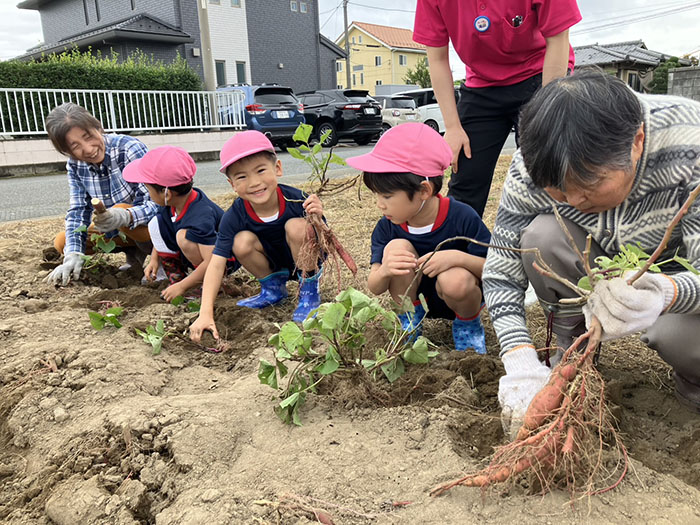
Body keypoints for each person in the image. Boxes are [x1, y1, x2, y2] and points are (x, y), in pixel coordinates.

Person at [483, 69, 700, 439]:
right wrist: (519, 358)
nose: (574, 201)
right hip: (593, 257)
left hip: (677, 271)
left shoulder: (690, 144)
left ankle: (694, 383)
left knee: (675, 335)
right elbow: (500, 272)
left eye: (591, 184)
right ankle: (573, 360)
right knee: (541, 236)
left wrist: (666, 293)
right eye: (558, 192)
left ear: (637, 141)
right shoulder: (533, 165)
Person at [412, 0, 582, 217]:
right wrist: (453, 127)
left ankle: (552, 234)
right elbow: (437, 59)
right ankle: (458, 238)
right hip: (481, 85)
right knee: (465, 180)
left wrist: (548, 113)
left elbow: (558, 39)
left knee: (544, 171)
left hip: (539, 74)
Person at [346, 123, 492, 353]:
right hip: (412, 298)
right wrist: (385, 270)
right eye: (377, 195)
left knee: (455, 279)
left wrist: (457, 258)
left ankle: (468, 326)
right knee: (396, 248)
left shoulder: (462, 217)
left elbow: (495, 270)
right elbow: (374, 286)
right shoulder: (387, 227)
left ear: (424, 190)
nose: (380, 204)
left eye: (387, 196)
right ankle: (409, 322)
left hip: (458, 297)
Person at [189, 131, 325, 342]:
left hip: (305, 261)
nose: (254, 182)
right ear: (232, 184)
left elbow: (324, 242)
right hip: (271, 263)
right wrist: (205, 313)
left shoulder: (297, 200)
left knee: (298, 227)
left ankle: (308, 292)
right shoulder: (234, 216)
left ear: (277, 168)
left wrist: (318, 218)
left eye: (260, 170)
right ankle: (273, 290)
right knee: (240, 241)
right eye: (242, 176)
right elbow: (216, 263)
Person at [44, 103, 157, 285]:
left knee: (120, 209)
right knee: (63, 242)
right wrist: (73, 254)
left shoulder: (128, 148)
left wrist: (125, 215)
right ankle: (133, 257)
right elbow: (78, 210)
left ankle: (160, 262)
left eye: (88, 136)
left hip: (150, 229)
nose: (88, 149)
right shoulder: (75, 165)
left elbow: (157, 204)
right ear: (67, 151)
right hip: (117, 231)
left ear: (97, 127)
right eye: (75, 146)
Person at [122, 145, 233, 302]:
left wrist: (183, 286)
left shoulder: (200, 216)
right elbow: (163, 229)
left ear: (166, 193)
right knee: (156, 223)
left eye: (148, 189)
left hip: (223, 259)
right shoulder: (173, 203)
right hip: (202, 254)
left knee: (183, 237)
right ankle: (177, 275)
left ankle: (211, 283)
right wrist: (154, 259)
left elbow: (212, 261)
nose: (148, 194)